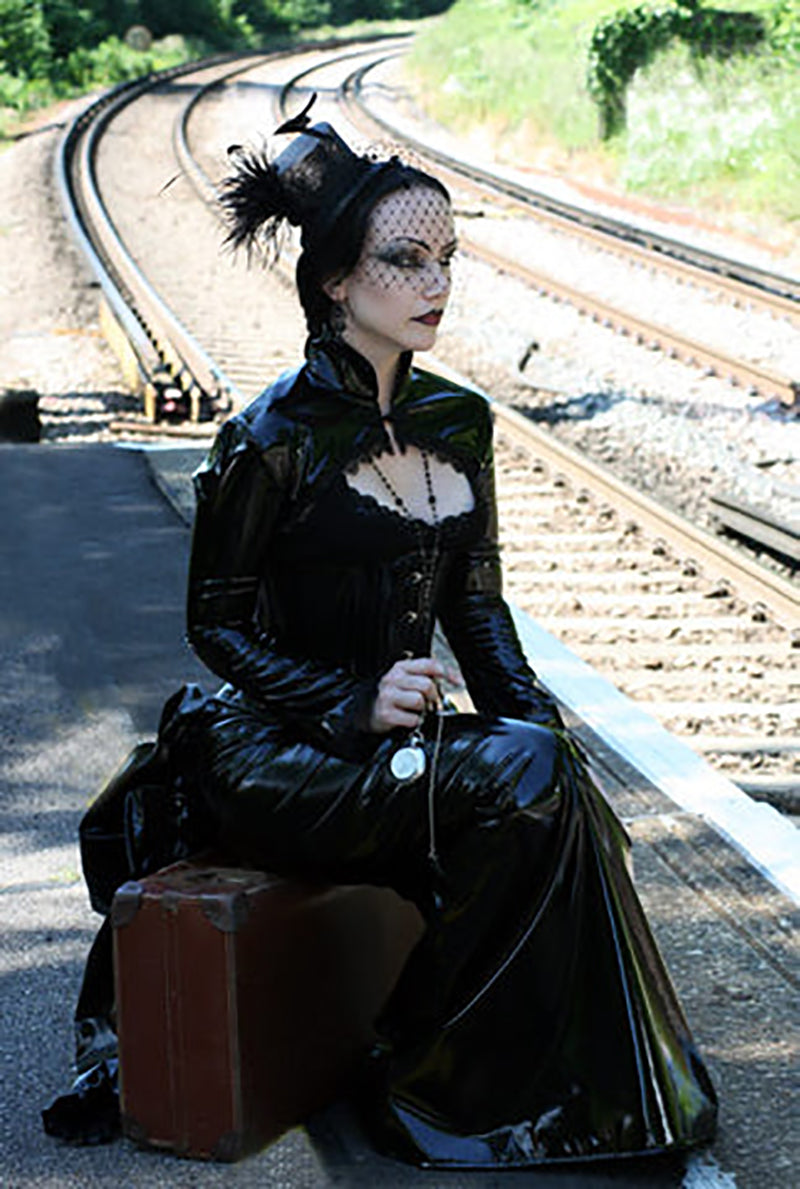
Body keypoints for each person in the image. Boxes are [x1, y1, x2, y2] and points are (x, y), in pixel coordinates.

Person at [43, 96, 717, 1167]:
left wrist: (537, 726)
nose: (436, 284)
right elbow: (212, 629)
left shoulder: (460, 423)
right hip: (270, 748)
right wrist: (347, 698)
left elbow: (476, 609)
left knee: (553, 780)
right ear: (336, 281)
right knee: (524, 780)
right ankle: (422, 1074)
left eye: (446, 258)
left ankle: (544, 1086)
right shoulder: (266, 440)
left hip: (393, 746)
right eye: (406, 262)